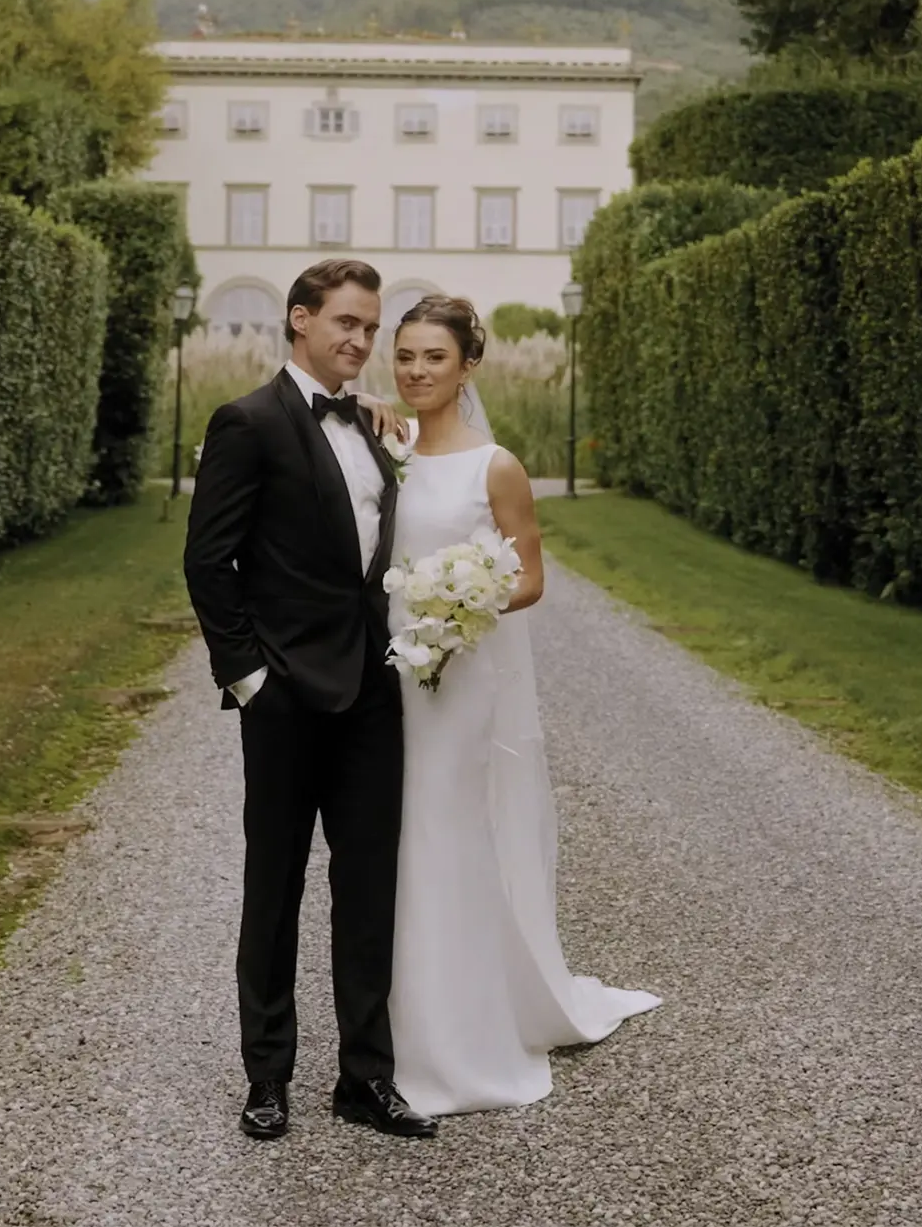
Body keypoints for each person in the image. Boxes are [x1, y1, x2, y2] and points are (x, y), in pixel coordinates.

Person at [381, 294, 660, 1117]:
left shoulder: (493, 464)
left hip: (458, 676)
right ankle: (396, 1019)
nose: (416, 370)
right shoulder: (384, 447)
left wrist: (459, 611)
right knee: (388, 843)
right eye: (405, 355)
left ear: (468, 366)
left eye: (434, 356)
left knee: (444, 834)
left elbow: (531, 578)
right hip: (384, 674)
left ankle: (456, 1033)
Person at [182, 258, 438, 1141]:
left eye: (371, 327)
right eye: (347, 324)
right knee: (275, 884)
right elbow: (208, 562)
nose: (363, 341)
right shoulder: (247, 423)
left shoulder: (374, 429)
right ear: (299, 320)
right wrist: (249, 679)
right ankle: (268, 1076)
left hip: (373, 690)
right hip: (285, 697)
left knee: (368, 887)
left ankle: (365, 1078)